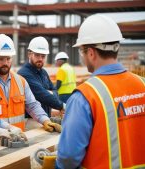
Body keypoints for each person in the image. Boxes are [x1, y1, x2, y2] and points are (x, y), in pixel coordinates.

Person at [55, 14, 145, 168]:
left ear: (91, 53)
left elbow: (68, 157)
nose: (83, 57)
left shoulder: (85, 96)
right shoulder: (142, 84)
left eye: (82, 52)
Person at [0, 34, 62, 145]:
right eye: (1, 59)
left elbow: (32, 105)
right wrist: (8, 128)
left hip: (17, 141)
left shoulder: (21, 81)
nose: (5, 63)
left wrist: (45, 120)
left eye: (8, 59)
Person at [18, 37, 65, 122]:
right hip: (30, 120)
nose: (40, 58)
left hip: (45, 118)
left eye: (43, 56)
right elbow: (42, 94)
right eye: (37, 55)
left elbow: (55, 90)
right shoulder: (24, 74)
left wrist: (51, 93)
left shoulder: (44, 73)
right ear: (29, 54)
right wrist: (61, 105)